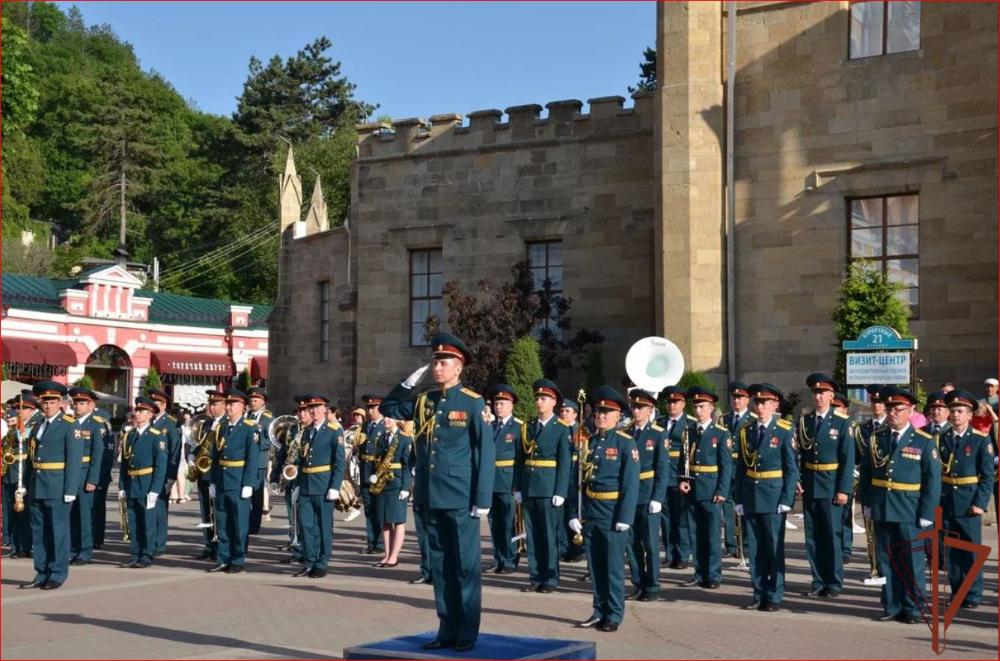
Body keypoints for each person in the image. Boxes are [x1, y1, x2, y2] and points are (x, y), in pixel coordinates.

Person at [380, 332, 494, 652]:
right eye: (434, 362)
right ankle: (446, 629)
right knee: (441, 567)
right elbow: (389, 406)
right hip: (431, 495)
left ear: (458, 368)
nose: (437, 368)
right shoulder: (424, 400)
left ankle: (466, 633)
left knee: (465, 567)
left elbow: (484, 453)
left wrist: (482, 500)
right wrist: (408, 381)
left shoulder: (472, 403)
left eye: (443, 363)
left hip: (460, 497)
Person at [860, 386, 941, 624]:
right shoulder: (877, 437)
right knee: (887, 561)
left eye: (899, 409)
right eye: (890, 408)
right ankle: (892, 605)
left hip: (910, 510)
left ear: (911, 410)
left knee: (912, 562)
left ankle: (913, 608)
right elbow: (866, 474)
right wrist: (867, 502)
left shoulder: (924, 441)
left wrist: (927, 512)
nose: (893, 412)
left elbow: (932, 481)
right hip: (883, 507)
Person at [569, 385, 639, 632]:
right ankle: (599, 610)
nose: (601, 416)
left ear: (618, 416)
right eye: (598, 412)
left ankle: (614, 614)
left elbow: (630, 484)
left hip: (612, 512)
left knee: (612, 568)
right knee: (596, 566)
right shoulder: (589, 442)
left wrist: (625, 516)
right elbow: (576, 481)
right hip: (591, 510)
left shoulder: (624, 443)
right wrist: (573, 514)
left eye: (607, 412)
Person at [734, 383, 798, 612]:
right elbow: (740, 468)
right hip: (751, 496)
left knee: (773, 548)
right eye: (757, 402)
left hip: (773, 497)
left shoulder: (784, 430)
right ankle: (758, 592)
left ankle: (775, 594)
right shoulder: (746, 430)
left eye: (765, 403)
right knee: (755, 548)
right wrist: (738, 499)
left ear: (775, 405)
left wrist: (786, 499)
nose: (760, 407)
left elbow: (791, 469)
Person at [20, 382, 83, 590]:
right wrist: (25, 485)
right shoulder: (38, 426)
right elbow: (31, 458)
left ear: (60, 403)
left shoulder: (69, 425)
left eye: (52, 401)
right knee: (39, 531)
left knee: (58, 532)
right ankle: (41, 571)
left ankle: (57, 573)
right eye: (45, 401)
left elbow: (74, 460)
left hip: (58, 487)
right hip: (37, 486)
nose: (48, 406)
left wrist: (71, 490)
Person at [797, 374, 854, 599]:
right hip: (811, 485)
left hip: (831, 487)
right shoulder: (806, 421)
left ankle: (834, 582)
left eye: (823, 393)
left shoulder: (842, 422)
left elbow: (847, 459)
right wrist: (799, 480)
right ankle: (818, 581)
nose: (818, 397)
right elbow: (801, 454)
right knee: (813, 538)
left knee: (832, 536)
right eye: (815, 393)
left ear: (831, 395)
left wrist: (843, 490)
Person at [939, 389, 995, 609]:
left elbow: (988, 476)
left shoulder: (980, 439)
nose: (955, 415)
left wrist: (980, 504)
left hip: (969, 502)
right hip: (946, 502)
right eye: (952, 411)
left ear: (970, 415)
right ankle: (957, 591)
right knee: (950, 551)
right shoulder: (942, 439)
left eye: (960, 411)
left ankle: (972, 594)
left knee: (970, 550)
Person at [514, 378, 571, 593]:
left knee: (548, 535)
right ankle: (535, 576)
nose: (539, 402)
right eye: (538, 398)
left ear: (553, 402)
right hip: (529, 487)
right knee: (533, 534)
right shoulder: (527, 427)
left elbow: (565, 463)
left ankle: (550, 577)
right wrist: (517, 486)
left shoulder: (561, 428)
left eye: (544, 398)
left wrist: (560, 491)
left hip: (549, 489)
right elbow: (519, 459)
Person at [680, 387, 732, 590]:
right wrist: (682, 480)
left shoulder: (720, 433)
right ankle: (699, 572)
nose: (698, 410)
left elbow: (726, 466)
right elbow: (684, 460)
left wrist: (722, 490)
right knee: (695, 533)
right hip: (692, 487)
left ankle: (713, 574)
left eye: (702, 406)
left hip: (711, 489)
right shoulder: (689, 431)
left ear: (711, 408)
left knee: (711, 534)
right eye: (696, 406)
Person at [291, 393, 345, 578]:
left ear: (325, 410)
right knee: (306, 526)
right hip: (306, 484)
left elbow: (339, 463)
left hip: (323, 485)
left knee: (323, 525)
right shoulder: (306, 431)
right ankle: (309, 561)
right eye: (310, 408)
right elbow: (302, 460)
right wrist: (297, 484)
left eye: (317, 407)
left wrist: (335, 487)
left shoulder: (333, 431)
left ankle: (322, 562)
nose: (313, 411)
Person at [206, 388, 260, 574]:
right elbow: (215, 456)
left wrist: (248, 484)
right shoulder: (221, 427)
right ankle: (223, 558)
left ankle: (237, 559)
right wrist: (212, 481)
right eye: (227, 404)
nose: (228, 407)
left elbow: (253, 458)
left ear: (243, 407)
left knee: (239, 523)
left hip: (238, 481)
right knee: (222, 522)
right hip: (222, 480)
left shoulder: (249, 428)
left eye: (233, 404)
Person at [624, 388, 670, 601]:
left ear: (650, 409)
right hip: (629, 496)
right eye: (634, 406)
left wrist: (658, 498)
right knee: (631, 542)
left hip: (648, 493)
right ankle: (638, 582)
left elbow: (662, 468)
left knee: (650, 544)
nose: (636, 410)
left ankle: (652, 585)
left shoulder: (658, 434)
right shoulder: (626, 432)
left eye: (641, 407)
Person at [117, 396, 167, 569]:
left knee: (147, 522)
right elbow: (124, 463)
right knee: (134, 522)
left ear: (151, 414)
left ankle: (147, 555)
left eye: (142, 411)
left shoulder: (156, 436)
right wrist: (122, 486)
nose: (138, 414)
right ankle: (135, 553)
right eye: (137, 411)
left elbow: (161, 465)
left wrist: (155, 490)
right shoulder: (130, 435)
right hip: (132, 482)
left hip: (147, 484)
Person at [68, 387, 108, 566]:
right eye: (75, 403)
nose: (77, 406)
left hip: (85, 475)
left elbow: (98, 453)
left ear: (91, 405)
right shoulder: (70, 422)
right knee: (71, 514)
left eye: (81, 403)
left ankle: (85, 551)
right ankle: (72, 548)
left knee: (85, 515)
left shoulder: (96, 424)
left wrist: (93, 479)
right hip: (71, 474)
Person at [487, 384, 523, 574]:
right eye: (496, 403)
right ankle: (499, 558)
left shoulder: (519, 428)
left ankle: (510, 559)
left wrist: (518, 486)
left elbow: (520, 459)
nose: (498, 406)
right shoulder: (490, 427)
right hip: (490, 482)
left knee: (509, 523)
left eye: (502, 403)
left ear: (512, 405)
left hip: (508, 482)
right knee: (495, 523)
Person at [660, 386, 696, 569]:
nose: (672, 405)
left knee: (681, 517)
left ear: (683, 404)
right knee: (665, 519)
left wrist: (687, 477)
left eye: (675, 402)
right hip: (662, 476)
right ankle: (669, 553)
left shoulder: (690, 423)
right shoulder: (659, 422)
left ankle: (683, 554)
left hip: (680, 474)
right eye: (669, 402)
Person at [371, 416, 411, 568]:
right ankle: (387, 555)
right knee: (385, 520)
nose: (385, 420)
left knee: (398, 520)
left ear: (396, 420)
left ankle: (394, 556)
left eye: (388, 418)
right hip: (383, 483)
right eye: (385, 418)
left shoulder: (404, 439)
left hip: (397, 482)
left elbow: (407, 465)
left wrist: (406, 488)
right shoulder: (381, 439)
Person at [147, 389, 181, 556]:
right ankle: (148, 540)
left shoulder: (171, 424)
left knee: (159, 509)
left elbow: (175, 451)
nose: (153, 408)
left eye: (157, 405)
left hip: (163, 472)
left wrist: (171, 477)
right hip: (146, 473)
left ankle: (158, 543)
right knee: (148, 508)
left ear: (164, 405)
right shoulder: (149, 422)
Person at [2, 394, 37, 559]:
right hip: (10, 473)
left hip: (23, 473)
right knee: (11, 512)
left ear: (31, 410)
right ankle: (15, 545)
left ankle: (24, 546)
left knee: (23, 513)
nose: (18, 411)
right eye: (16, 408)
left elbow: (28, 441)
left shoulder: (35, 424)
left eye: (21, 409)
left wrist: (19, 430)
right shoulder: (14, 426)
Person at [194, 390, 226, 561]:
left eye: (214, 404)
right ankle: (208, 544)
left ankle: (220, 544)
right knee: (205, 511)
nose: (211, 408)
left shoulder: (227, 424)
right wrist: (193, 454)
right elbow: (199, 444)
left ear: (224, 406)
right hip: (204, 473)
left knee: (218, 512)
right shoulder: (206, 424)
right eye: (210, 404)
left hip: (218, 475)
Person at [722, 382, 752, 558]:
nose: (737, 401)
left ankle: (745, 544)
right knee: (727, 506)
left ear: (747, 400)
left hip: (743, 467)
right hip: (727, 467)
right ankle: (731, 544)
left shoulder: (752, 419)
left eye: (740, 397)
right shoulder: (724, 419)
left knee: (744, 506)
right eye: (734, 397)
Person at [558, 399, 587, 564]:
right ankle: (563, 548)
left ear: (575, 414)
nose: (563, 414)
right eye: (562, 411)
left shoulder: (580, 430)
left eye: (567, 411)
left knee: (575, 512)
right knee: (561, 514)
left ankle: (577, 548)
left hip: (576, 475)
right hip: (563, 476)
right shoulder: (557, 429)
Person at [359, 394, 388, 555]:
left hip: (379, 473)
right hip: (366, 471)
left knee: (379, 509)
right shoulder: (365, 426)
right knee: (369, 509)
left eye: (373, 407)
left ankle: (382, 543)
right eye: (368, 407)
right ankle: (372, 541)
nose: (370, 410)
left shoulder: (385, 426)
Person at [246, 387, 273, 534]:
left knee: (256, 495)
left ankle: (254, 524)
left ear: (263, 402)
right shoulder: (247, 416)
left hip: (259, 461)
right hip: (246, 460)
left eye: (256, 400)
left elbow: (270, 440)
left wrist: (255, 444)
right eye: (251, 400)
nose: (253, 402)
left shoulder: (267, 418)